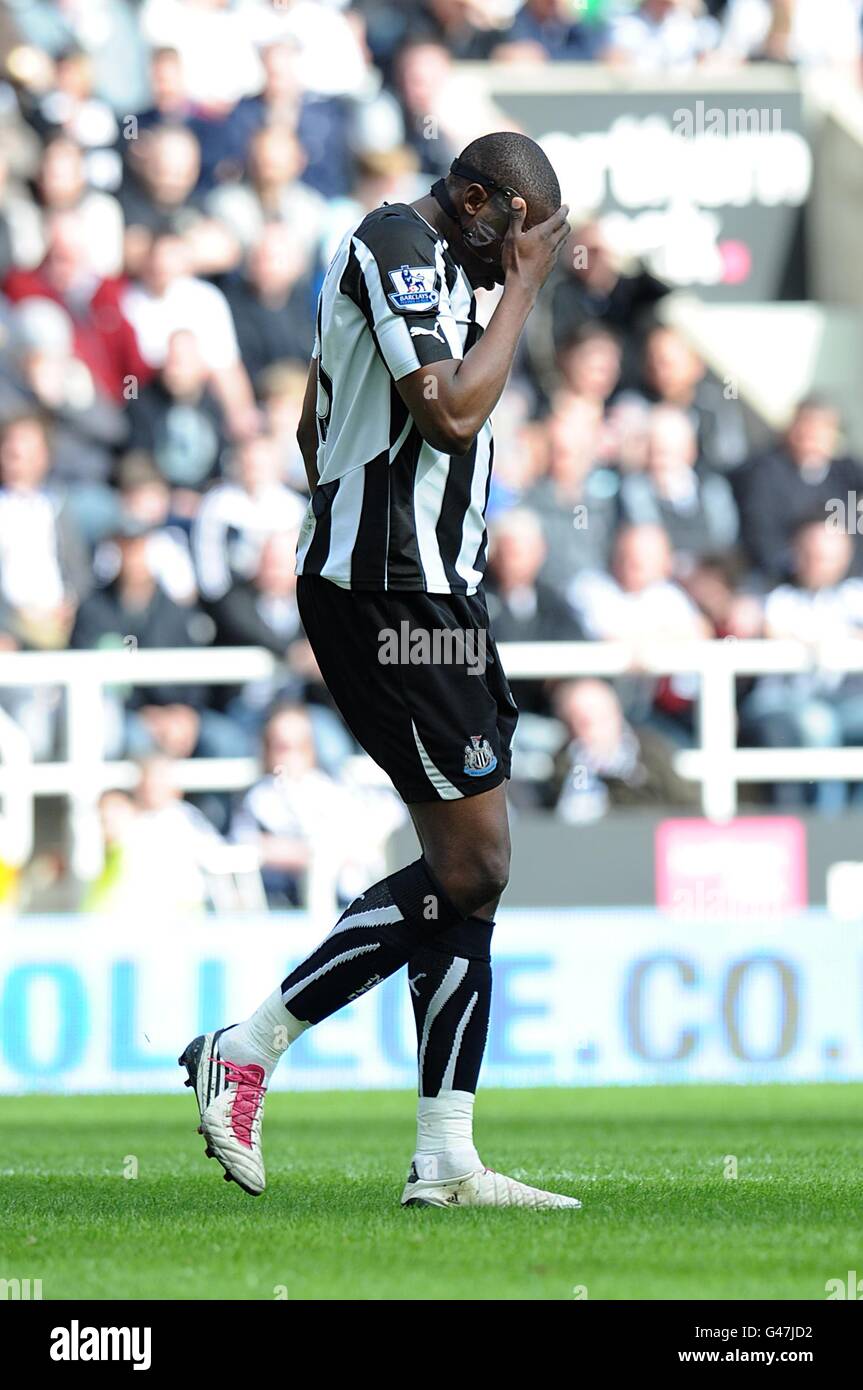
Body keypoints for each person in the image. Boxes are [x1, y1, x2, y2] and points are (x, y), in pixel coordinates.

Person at [179, 131, 580, 1211]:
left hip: (436, 592)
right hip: (385, 598)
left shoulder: (453, 266)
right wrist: (526, 293)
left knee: (471, 872)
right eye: (520, 231)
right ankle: (248, 1042)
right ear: (472, 200)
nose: (525, 254)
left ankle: (444, 1155)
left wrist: (365, 499)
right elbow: (446, 414)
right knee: (476, 861)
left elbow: (320, 419)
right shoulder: (398, 241)